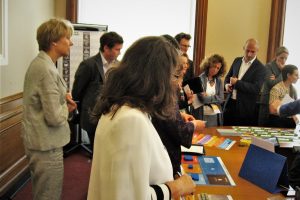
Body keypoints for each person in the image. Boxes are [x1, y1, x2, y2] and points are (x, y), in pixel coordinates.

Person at [87, 36, 195, 200]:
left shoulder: (123, 108)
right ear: (157, 78)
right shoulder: (131, 120)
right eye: (174, 76)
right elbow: (130, 197)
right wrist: (177, 187)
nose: (176, 84)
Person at [22, 18, 77, 200]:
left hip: (42, 141)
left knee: (43, 191)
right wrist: (67, 107)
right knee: (48, 194)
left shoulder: (43, 64)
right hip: (46, 144)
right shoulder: (45, 69)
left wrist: (62, 98)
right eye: (67, 38)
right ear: (54, 41)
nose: (71, 42)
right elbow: (54, 117)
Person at [72, 32, 123, 152]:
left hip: (113, 116)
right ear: (106, 48)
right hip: (93, 116)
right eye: (117, 49)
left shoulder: (120, 66)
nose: (120, 53)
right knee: (97, 152)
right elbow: (77, 92)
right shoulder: (88, 65)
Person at [223, 38, 266, 126]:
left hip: (245, 109)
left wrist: (237, 83)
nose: (249, 54)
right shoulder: (237, 60)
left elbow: (256, 88)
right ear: (243, 48)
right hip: (230, 104)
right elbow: (228, 77)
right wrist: (227, 85)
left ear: (257, 51)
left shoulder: (261, 68)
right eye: (247, 51)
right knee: (225, 133)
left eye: (253, 51)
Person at [258, 46, 289, 126]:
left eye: (286, 58)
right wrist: (282, 72)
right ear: (276, 56)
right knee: (264, 128)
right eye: (281, 58)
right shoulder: (268, 66)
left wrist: (277, 77)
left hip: (279, 103)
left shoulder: (285, 68)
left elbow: (286, 84)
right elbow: (271, 84)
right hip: (266, 102)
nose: (284, 61)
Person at [195, 54, 226, 127]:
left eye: (218, 68)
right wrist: (215, 97)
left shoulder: (219, 81)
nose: (215, 70)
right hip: (202, 115)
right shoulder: (200, 79)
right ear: (208, 65)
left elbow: (221, 99)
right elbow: (202, 99)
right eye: (214, 66)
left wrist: (208, 96)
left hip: (215, 116)